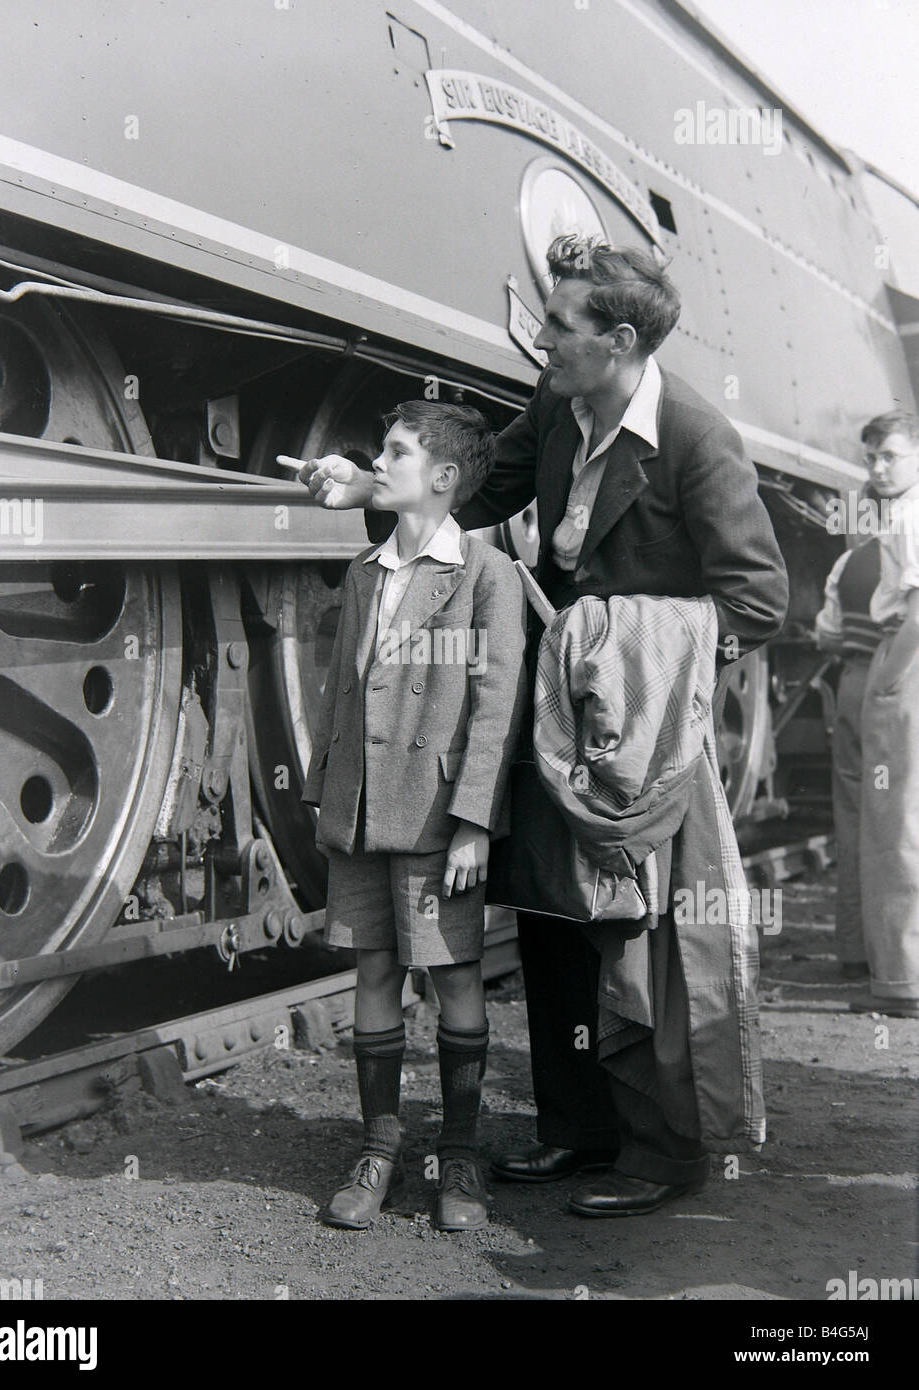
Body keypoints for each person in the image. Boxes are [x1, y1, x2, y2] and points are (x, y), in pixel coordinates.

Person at [293, 236, 788, 1218]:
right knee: (561, 923)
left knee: (639, 940)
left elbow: (760, 601)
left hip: (640, 736)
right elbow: (468, 495)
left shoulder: (694, 438)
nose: (540, 340)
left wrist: (639, 661)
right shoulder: (560, 412)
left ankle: (660, 1153)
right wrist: (369, 490)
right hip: (560, 721)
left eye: (559, 326)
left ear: (616, 338)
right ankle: (576, 1130)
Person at [299, 400, 527, 1230]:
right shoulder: (365, 572)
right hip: (360, 811)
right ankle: (379, 1146)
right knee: (372, 972)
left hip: (435, 816)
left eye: (393, 454)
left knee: (456, 975)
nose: (377, 465)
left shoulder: (483, 573)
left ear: (442, 478)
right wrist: (325, 790)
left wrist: (473, 820)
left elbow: (496, 704)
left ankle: (460, 1155)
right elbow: (340, 689)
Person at [814, 428, 887, 981]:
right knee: (900, 822)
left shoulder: (848, 565)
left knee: (853, 818)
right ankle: (897, 958)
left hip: (853, 687)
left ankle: (855, 951)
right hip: (899, 683)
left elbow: (828, 637)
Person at [855, 410, 919, 1018]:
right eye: (871, 457)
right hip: (903, 649)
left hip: (906, 653)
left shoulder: (912, 513)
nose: (877, 468)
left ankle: (904, 981)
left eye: (890, 456)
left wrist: (889, 685)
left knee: (896, 817)